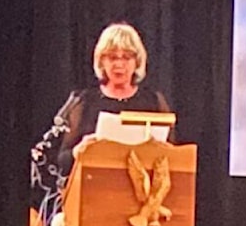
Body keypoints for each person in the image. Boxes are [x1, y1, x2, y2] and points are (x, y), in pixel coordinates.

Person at [56, 21, 172, 174]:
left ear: (137, 62)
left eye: (126, 57)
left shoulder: (153, 101)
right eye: (112, 57)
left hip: (144, 193)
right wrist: (76, 152)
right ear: (101, 62)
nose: (119, 64)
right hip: (93, 190)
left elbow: (172, 156)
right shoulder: (83, 101)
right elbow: (60, 160)